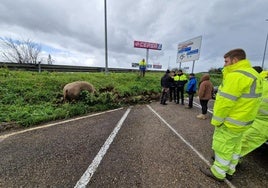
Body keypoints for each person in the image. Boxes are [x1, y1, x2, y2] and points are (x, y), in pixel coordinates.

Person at [200, 48, 263, 181]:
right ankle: (230, 170)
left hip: (230, 121)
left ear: (235, 60)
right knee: (235, 147)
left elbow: (224, 103)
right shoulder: (255, 75)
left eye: (226, 61)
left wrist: (217, 121)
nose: (224, 64)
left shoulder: (235, 76)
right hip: (244, 121)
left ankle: (218, 172)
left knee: (223, 146)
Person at [240, 66, 268, 157]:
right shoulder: (260, 80)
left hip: (261, 122)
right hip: (253, 118)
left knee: (243, 142)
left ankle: (224, 167)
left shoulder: (260, 80)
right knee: (242, 141)